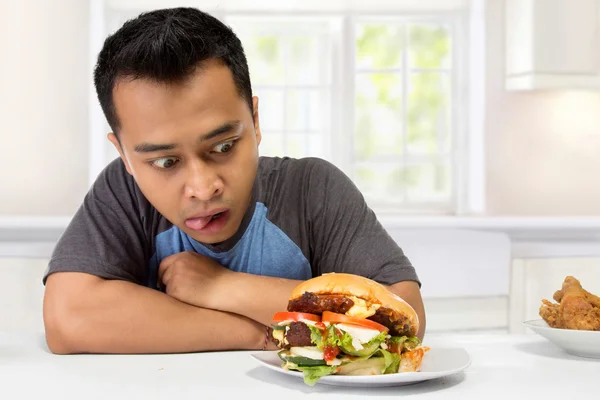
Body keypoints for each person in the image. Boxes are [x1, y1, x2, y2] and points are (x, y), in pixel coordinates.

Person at [42, 7, 426, 355]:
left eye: (223, 147)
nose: (203, 186)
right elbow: (68, 319)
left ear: (255, 121)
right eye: (164, 161)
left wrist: (221, 287)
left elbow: (405, 320)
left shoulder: (312, 188)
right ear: (124, 155)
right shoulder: (124, 192)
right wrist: (258, 332)